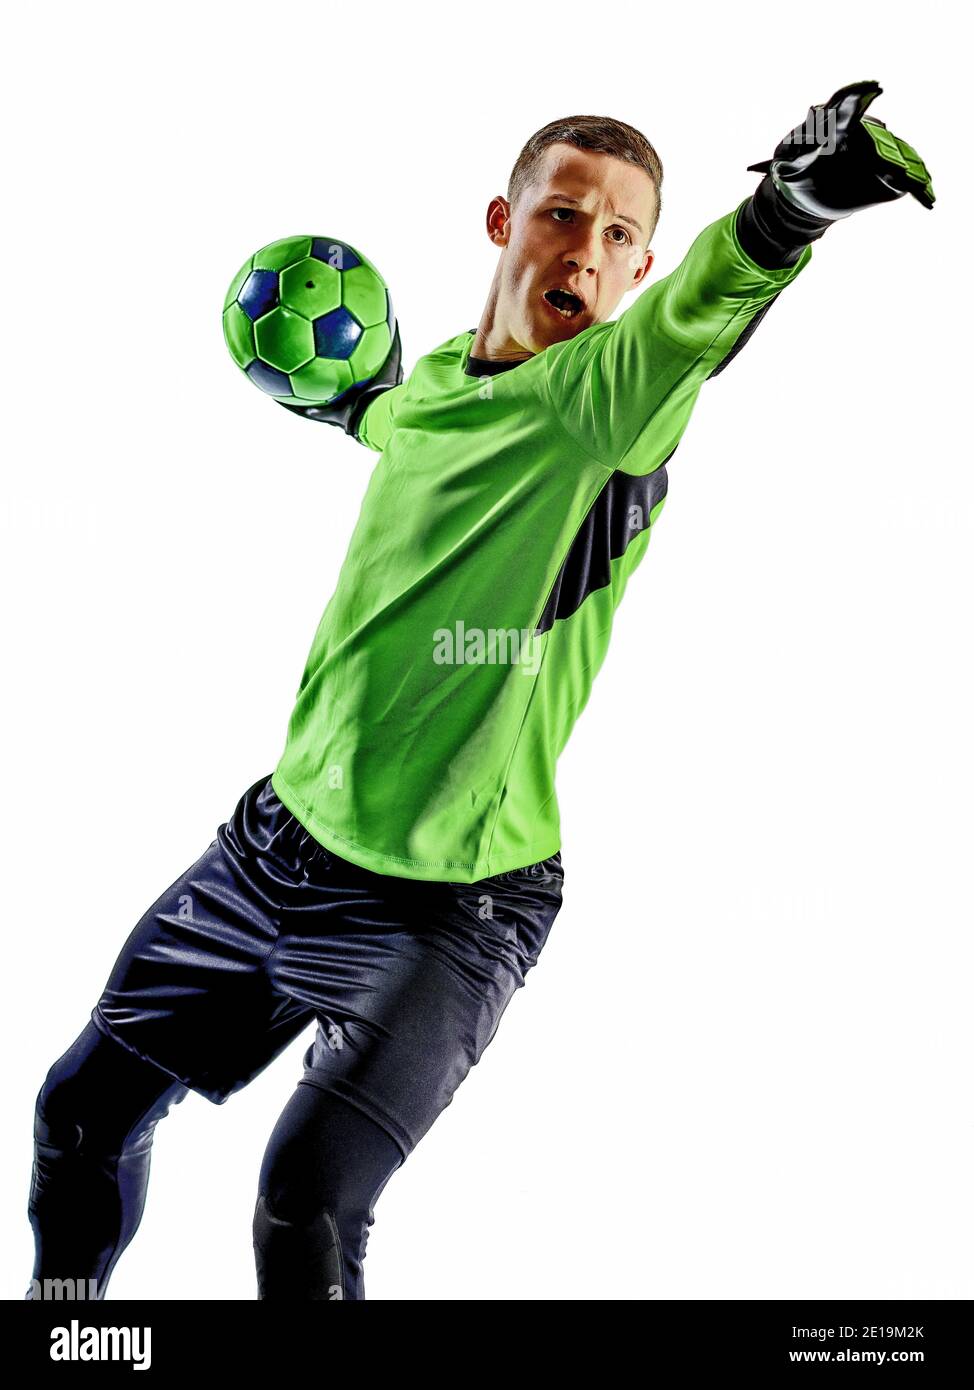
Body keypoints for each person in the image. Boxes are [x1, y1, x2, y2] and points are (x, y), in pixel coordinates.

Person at [26, 80, 933, 1301]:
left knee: (304, 1205)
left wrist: (783, 212)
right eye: (565, 215)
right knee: (80, 1116)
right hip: (272, 851)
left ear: (639, 263)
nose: (590, 252)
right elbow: (399, 420)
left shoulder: (600, 403)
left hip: (444, 912)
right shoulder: (446, 380)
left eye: (620, 236)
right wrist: (345, 397)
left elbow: (693, 321)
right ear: (503, 224)